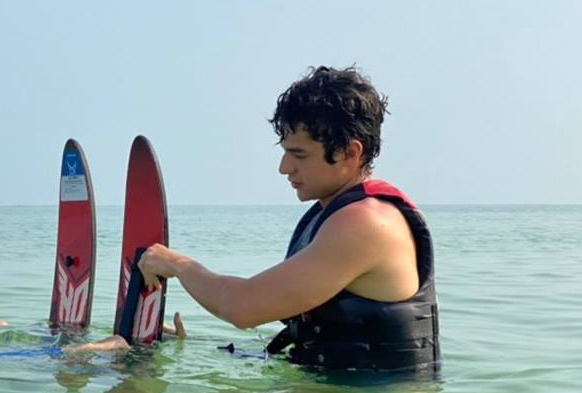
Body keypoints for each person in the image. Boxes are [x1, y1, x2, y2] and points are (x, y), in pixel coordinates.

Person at [137, 66, 440, 372]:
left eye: (300, 154)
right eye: (285, 152)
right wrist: (191, 348)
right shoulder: (332, 216)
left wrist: (177, 264)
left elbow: (243, 308)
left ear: (350, 153)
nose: (284, 168)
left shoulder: (367, 223)